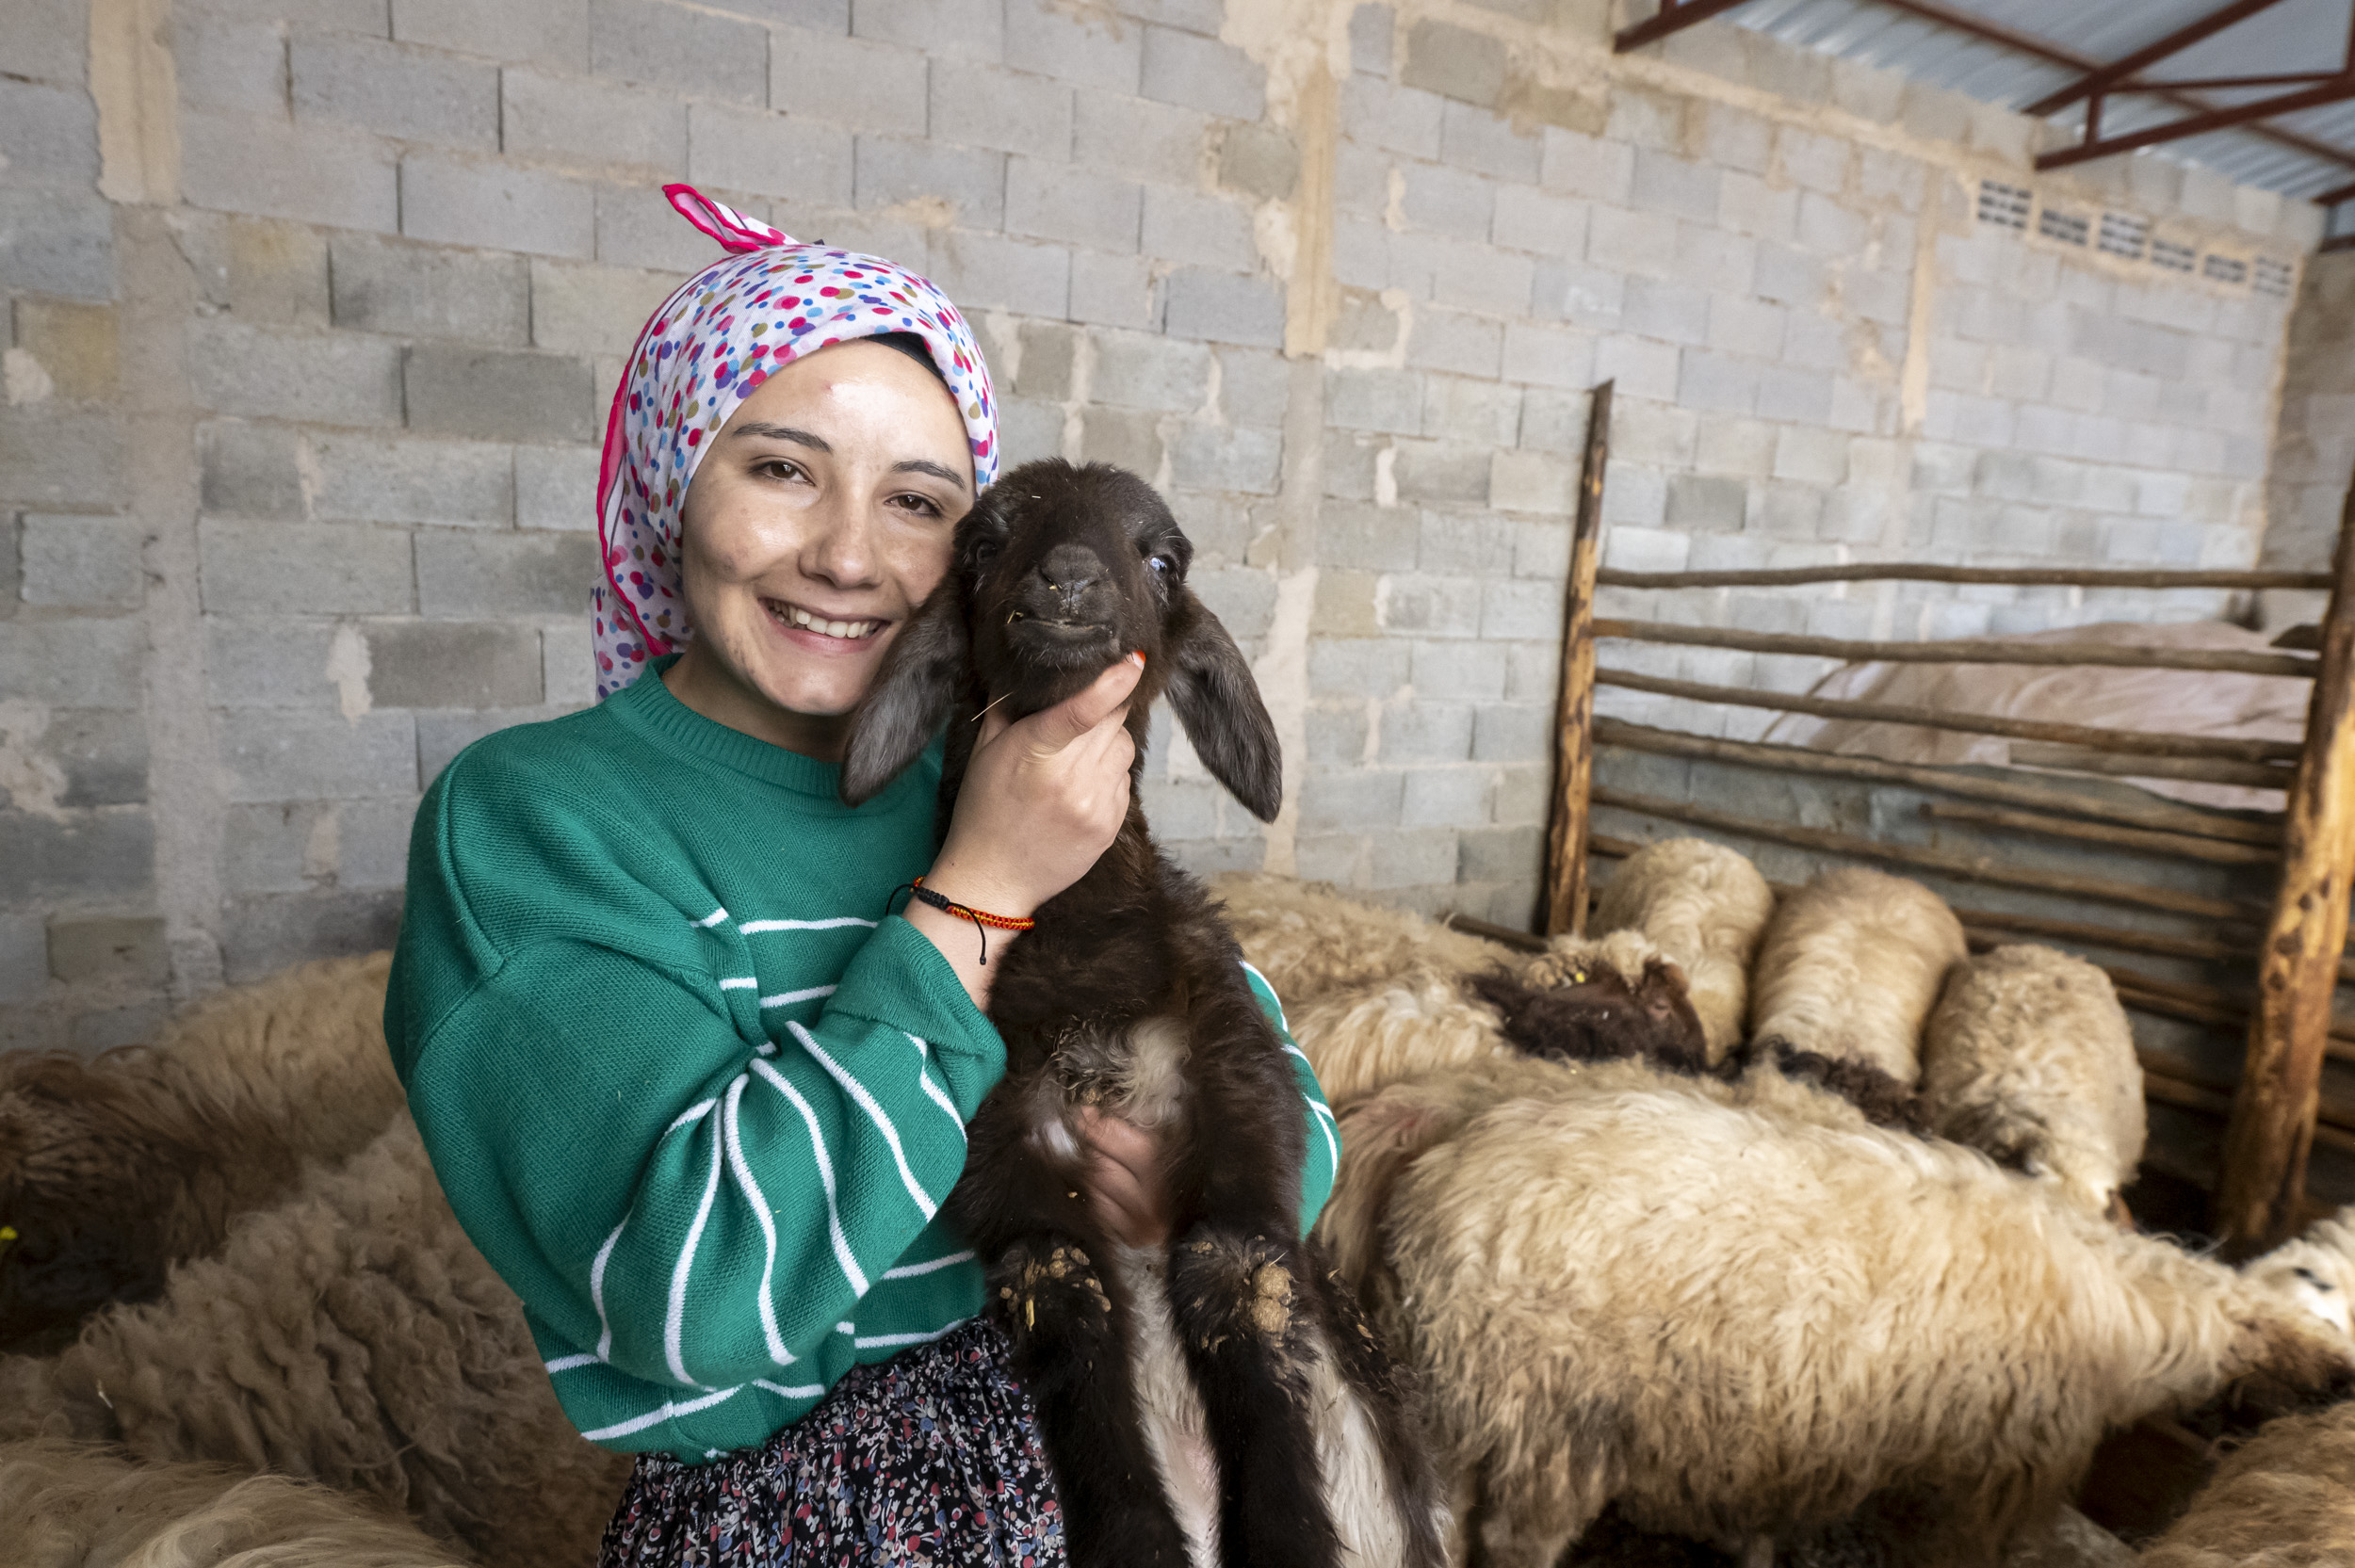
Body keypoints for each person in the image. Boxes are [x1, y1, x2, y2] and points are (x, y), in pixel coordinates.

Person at [383, 186, 1335, 1567]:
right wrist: (976, 895)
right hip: (802, 1521)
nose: (845, 553)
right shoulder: (537, 824)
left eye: (917, 503)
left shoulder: (998, 764)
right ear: (673, 476)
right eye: (780, 469)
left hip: (1123, 1455)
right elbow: (697, 1293)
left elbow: (1284, 1088)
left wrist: (1205, 1179)